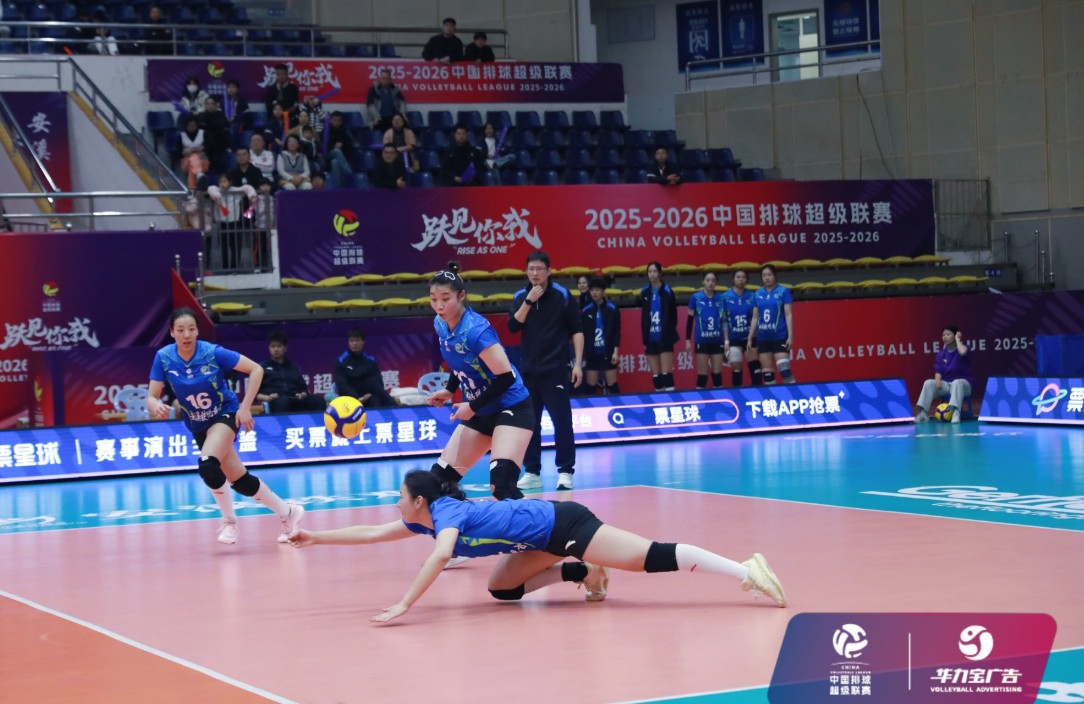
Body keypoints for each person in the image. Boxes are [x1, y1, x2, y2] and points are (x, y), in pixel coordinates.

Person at [286, 469, 786, 624]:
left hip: (562, 523)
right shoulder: (424, 519)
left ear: (420, 501)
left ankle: (745, 570)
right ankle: (583, 571)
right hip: (539, 540)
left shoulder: (447, 515)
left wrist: (404, 605)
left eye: (400, 497)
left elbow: (440, 557)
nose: (395, 503)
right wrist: (315, 537)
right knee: (502, 590)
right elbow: (372, 532)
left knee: (647, 558)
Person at [147, 308, 305, 545]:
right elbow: (152, 396)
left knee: (207, 464)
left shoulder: (212, 352)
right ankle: (288, 511)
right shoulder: (164, 357)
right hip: (197, 424)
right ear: (172, 333)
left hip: (225, 414)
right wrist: (154, 404)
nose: (186, 335)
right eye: (180, 330)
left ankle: (230, 522)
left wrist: (245, 408)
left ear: (197, 331)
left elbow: (256, 369)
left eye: (191, 329)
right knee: (240, 481)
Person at [423, 263, 535, 502]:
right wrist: (450, 390)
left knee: (502, 487)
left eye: (445, 299)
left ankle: (547, 521)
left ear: (461, 296)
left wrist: (472, 406)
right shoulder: (440, 323)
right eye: (433, 299)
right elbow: (460, 361)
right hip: (482, 410)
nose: (439, 306)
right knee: (439, 482)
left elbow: (506, 377)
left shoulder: (476, 330)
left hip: (511, 407)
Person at [509, 251, 584, 491]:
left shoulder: (562, 295)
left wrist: (578, 364)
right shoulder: (520, 296)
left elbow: (577, 330)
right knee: (530, 424)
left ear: (549, 271)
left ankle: (565, 471)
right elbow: (513, 326)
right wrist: (529, 301)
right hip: (529, 372)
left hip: (556, 370)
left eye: (539, 269)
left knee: (562, 422)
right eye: (530, 269)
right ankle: (532, 471)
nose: (534, 273)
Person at [256, 330, 327, 414]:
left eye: (279, 346)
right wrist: (267, 397)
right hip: (275, 401)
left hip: (295, 399)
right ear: (269, 348)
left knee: (319, 400)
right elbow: (255, 394)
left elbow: (304, 388)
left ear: (285, 348)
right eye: (273, 346)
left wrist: (303, 394)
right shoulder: (261, 368)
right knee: (283, 402)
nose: (275, 349)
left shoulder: (293, 367)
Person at [747, 264, 795, 385]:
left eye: (769, 275)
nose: (767, 278)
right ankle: (774, 396)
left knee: (784, 370)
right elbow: (755, 317)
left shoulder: (783, 291)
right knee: (767, 374)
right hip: (763, 338)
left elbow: (788, 314)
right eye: (764, 275)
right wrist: (750, 338)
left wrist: (790, 336)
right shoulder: (757, 294)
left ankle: (794, 394)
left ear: (775, 276)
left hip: (780, 336)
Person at [914, 326, 973, 425]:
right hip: (947, 385)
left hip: (964, 384)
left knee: (956, 383)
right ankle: (923, 413)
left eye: (948, 334)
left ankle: (956, 412)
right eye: (943, 335)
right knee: (928, 383)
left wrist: (958, 339)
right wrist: (937, 380)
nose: (945, 337)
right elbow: (938, 370)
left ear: (955, 335)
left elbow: (963, 352)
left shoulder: (964, 348)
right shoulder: (941, 354)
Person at [637, 262, 679, 391]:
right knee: (656, 376)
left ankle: (672, 400)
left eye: (655, 271)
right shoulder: (644, 292)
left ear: (660, 273)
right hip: (650, 338)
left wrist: (668, 332)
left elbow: (673, 316)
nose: (652, 274)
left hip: (664, 337)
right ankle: (660, 400)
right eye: (650, 272)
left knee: (666, 374)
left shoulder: (667, 291)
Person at [333, 328, 396, 408]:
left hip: (367, 394)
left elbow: (378, 382)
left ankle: (394, 409)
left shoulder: (370, 360)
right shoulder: (341, 360)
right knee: (370, 383)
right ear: (348, 342)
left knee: (375, 399)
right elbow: (341, 384)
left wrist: (369, 395)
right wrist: (357, 398)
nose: (354, 343)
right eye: (351, 341)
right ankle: (395, 407)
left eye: (357, 340)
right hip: (349, 396)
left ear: (363, 342)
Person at [685, 271, 726, 389]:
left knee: (717, 375)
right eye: (707, 280)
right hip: (701, 341)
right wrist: (687, 340)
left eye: (713, 280)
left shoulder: (721, 298)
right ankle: (700, 399)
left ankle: (719, 398)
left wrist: (726, 340)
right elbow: (689, 320)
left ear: (716, 283)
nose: (710, 283)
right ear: (703, 282)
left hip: (717, 341)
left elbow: (724, 320)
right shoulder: (695, 297)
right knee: (702, 376)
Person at [581, 276, 621, 395]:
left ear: (603, 291)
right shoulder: (586, 310)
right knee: (590, 387)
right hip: (592, 352)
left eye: (597, 290)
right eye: (592, 290)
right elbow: (582, 333)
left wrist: (615, 352)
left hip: (608, 352)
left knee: (612, 386)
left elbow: (616, 332)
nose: (594, 293)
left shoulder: (612, 309)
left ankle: (618, 405)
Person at [721, 269, 762, 386]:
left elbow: (756, 317)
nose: (740, 279)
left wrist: (754, 335)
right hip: (733, 338)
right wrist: (725, 341)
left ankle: (758, 394)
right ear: (733, 279)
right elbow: (723, 320)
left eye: (743, 277)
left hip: (749, 338)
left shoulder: (752, 296)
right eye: (738, 277)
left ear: (746, 280)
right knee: (736, 370)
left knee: (755, 369)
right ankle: (737, 395)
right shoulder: (725, 297)